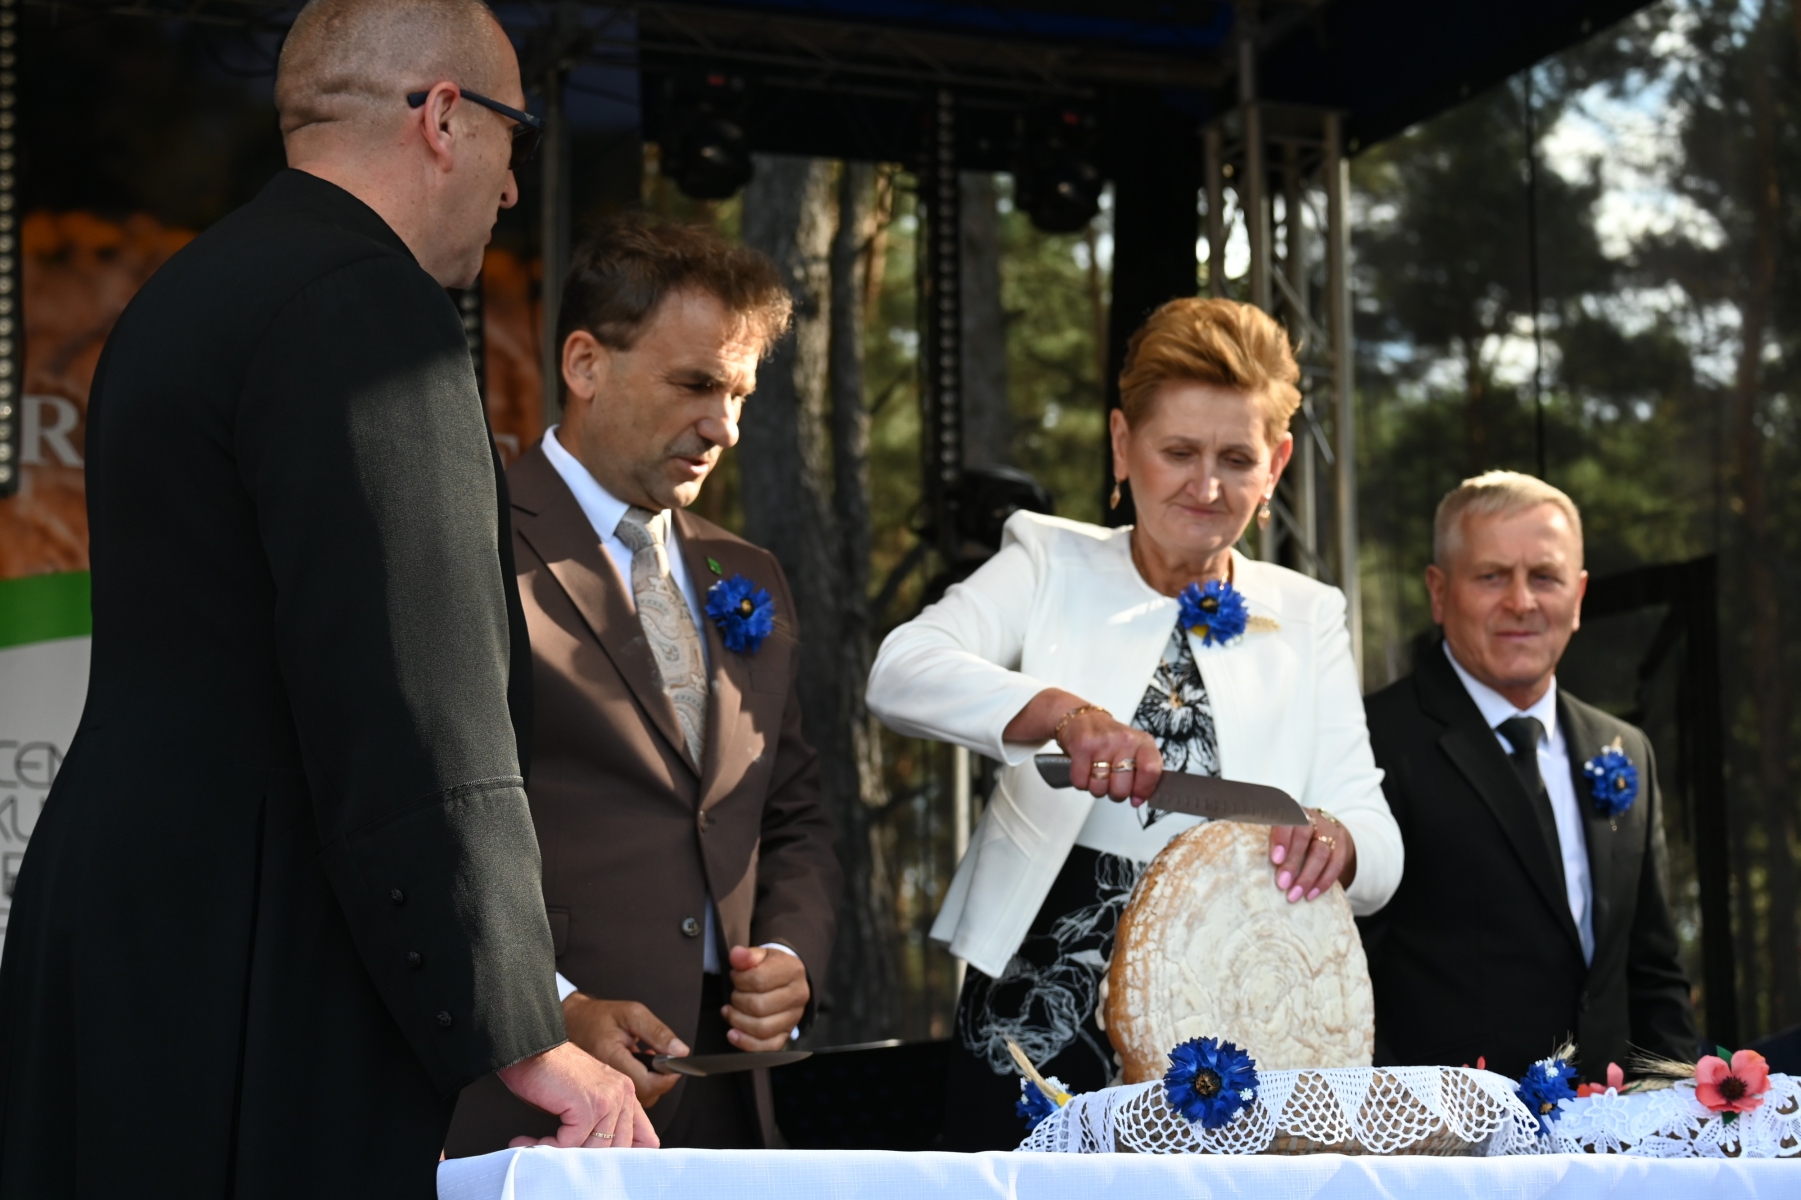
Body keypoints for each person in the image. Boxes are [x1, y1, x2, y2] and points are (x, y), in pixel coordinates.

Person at [0, 2, 657, 1194]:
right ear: (445, 119)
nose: (514, 185)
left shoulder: (183, 295)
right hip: (260, 966)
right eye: (513, 135)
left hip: (125, 938)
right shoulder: (369, 311)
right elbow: (418, 703)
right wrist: (518, 1029)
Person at [866, 297, 1403, 1151]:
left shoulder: (1309, 615)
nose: (1206, 487)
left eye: (1237, 458)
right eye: (1177, 452)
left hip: (1229, 1017)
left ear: (1277, 465)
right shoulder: (1046, 560)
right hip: (1039, 998)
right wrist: (1062, 714)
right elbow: (899, 671)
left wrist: (1336, 841)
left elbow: (1375, 841)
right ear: (1122, 444)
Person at [445, 217, 842, 1153]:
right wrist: (551, 1007)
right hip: (535, 1087)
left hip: (729, 1096)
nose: (725, 428)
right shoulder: (470, 544)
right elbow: (434, 818)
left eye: (739, 395)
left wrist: (791, 955)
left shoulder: (748, 571)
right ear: (585, 364)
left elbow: (790, 814)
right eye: (696, 384)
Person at [1360, 471, 1697, 1081]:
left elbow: (1651, 972)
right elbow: (1348, 975)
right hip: (1450, 1132)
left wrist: (1683, 1112)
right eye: (1492, 576)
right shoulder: (1371, 741)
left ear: (1579, 594)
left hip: (1613, 1128)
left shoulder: (1625, 748)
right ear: (1439, 592)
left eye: (1544, 577)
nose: (1521, 601)